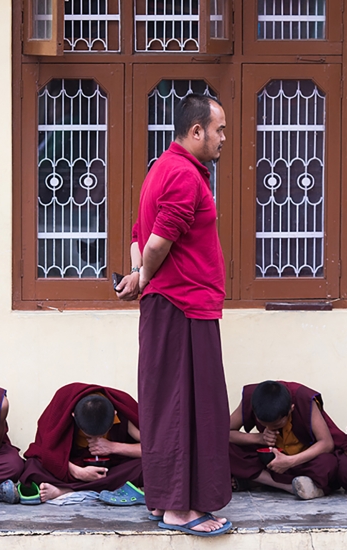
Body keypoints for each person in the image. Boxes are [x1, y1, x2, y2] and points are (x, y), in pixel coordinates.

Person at [115, 94, 232, 536]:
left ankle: (163, 499)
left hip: (169, 304)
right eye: (219, 129)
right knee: (188, 407)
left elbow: (137, 236)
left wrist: (139, 276)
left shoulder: (160, 168)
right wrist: (145, 274)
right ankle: (179, 510)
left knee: (167, 403)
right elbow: (157, 243)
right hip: (183, 305)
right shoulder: (183, 174)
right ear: (196, 131)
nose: (223, 138)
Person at [21, 383, 144, 503]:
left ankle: (66, 491)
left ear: (114, 415)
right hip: (73, 464)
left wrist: (113, 447)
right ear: (73, 416)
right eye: (89, 436)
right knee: (33, 466)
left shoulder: (121, 410)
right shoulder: (64, 401)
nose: (97, 439)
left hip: (110, 467)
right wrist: (78, 472)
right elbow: (45, 449)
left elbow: (152, 449)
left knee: (147, 465)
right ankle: (99, 489)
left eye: (102, 434)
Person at [229, 380, 343, 499]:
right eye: (265, 425)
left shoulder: (303, 398)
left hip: (303, 460)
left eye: (277, 425)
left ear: (291, 409)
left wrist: (291, 461)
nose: (270, 429)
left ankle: (257, 480)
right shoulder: (252, 398)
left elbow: (326, 443)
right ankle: (286, 486)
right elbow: (225, 433)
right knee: (226, 449)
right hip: (270, 460)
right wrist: (259, 438)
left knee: (328, 463)